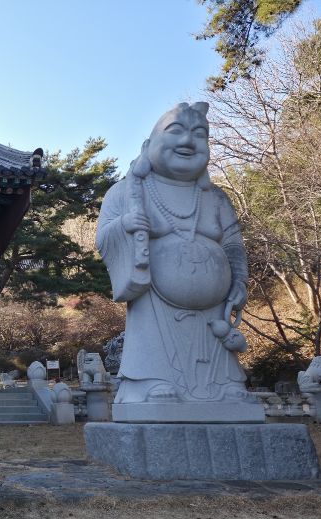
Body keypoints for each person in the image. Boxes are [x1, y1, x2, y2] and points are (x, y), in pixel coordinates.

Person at [95, 101, 252, 407]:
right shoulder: (125, 191)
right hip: (155, 299)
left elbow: (233, 244)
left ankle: (225, 383)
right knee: (153, 338)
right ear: (149, 144)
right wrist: (126, 225)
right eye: (176, 130)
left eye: (199, 134)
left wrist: (239, 281)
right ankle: (151, 380)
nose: (187, 141)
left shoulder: (216, 197)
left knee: (217, 352)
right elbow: (103, 238)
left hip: (213, 304)